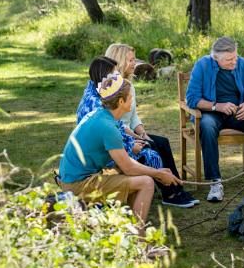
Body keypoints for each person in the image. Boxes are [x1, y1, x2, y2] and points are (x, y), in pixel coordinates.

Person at [58, 73, 182, 234]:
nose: (133, 100)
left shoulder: (103, 116)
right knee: (146, 183)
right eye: (130, 97)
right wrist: (157, 174)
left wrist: (157, 172)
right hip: (77, 184)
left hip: (74, 178)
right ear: (121, 102)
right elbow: (128, 167)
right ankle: (139, 238)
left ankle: (129, 231)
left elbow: (125, 161)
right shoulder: (108, 127)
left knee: (140, 177)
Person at [106, 44, 199, 208]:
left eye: (134, 59)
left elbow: (133, 116)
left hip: (131, 133)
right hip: (119, 136)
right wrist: (139, 138)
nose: (135, 63)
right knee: (153, 146)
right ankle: (169, 193)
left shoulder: (129, 85)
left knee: (162, 142)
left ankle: (177, 188)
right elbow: (116, 123)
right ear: (119, 61)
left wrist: (143, 133)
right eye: (130, 60)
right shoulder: (111, 88)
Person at [185, 36, 244, 202]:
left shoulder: (243, 64)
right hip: (211, 112)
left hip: (238, 112)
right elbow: (192, 99)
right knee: (207, 126)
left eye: (235, 57)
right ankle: (215, 182)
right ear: (215, 57)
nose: (234, 62)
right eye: (228, 60)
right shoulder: (202, 65)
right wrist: (216, 106)